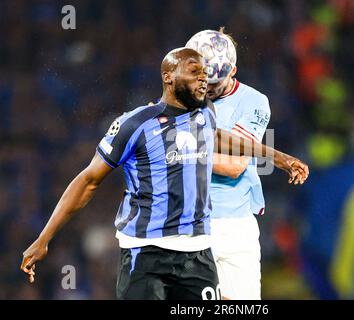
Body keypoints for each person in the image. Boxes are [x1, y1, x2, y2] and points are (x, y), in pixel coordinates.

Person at [21, 47, 309, 300]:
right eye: (195, 72)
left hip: (198, 252)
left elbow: (220, 137)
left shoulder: (204, 115)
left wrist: (278, 158)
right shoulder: (135, 124)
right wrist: (44, 237)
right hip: (146, 253)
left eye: (206, 74)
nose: (203, 79)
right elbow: (88, 181)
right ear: (169, 76)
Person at [185, 28, 280, 299]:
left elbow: (234, 165)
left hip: (233, 226)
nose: (208, 90)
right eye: (204, 82)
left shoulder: (253, 102)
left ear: (233, 71)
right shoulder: (182, 97)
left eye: (216, 84)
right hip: (188, 224)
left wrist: (181, 151)